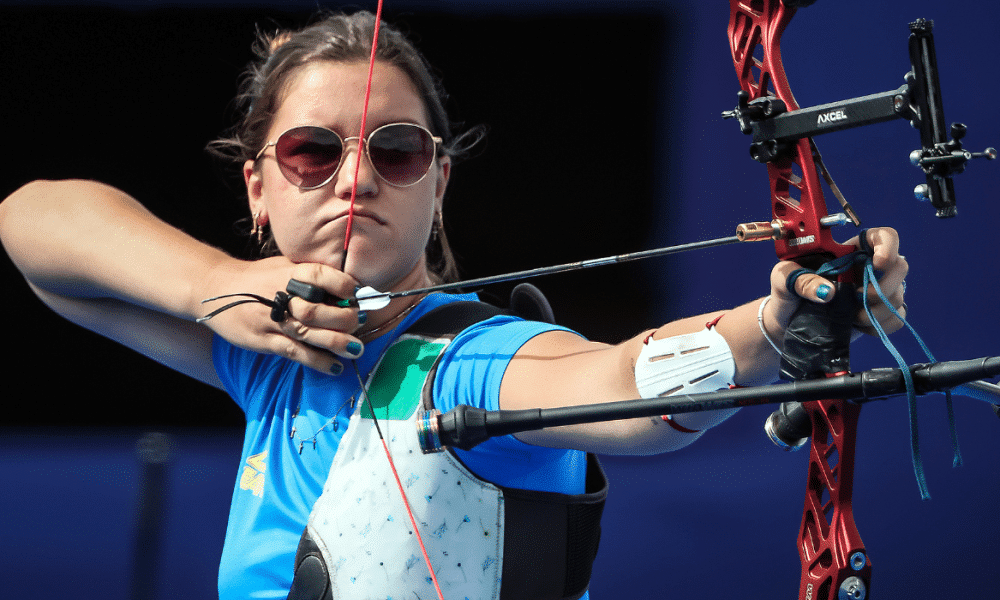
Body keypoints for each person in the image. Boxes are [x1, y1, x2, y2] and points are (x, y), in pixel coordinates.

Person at [0, 10, 908, 600]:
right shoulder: (265, 356)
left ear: (438, 182)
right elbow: (34, 229)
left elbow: (623, 381)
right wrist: (213, 291)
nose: (355, 177)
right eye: (313, 151)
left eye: (396, 151)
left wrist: (776, 323)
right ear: (258, 187)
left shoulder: (471, 359)